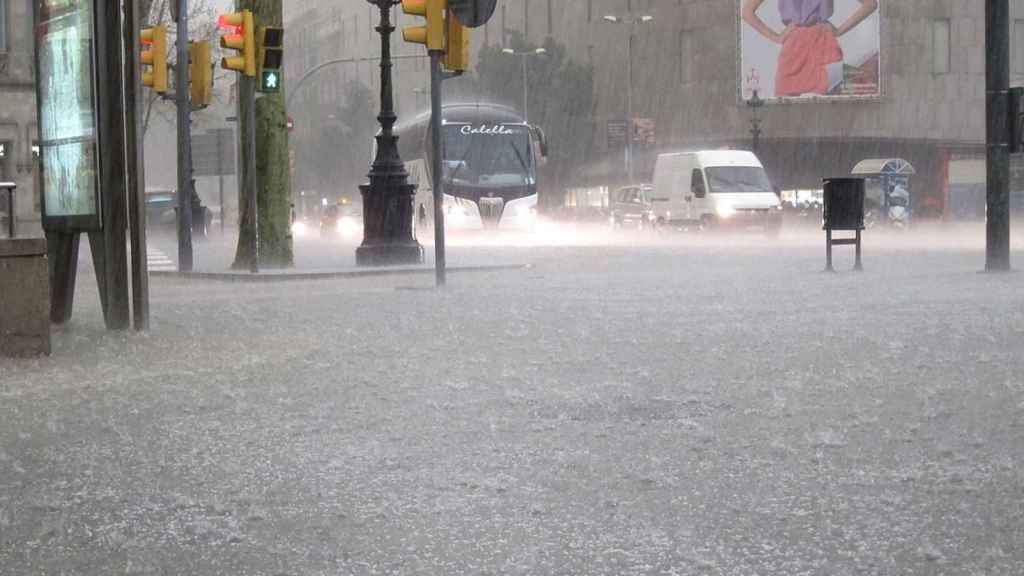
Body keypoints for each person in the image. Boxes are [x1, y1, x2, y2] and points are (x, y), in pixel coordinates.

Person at [742, 0, 878, 97]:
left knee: (834, 108)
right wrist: (777, 37)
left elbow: (871, 4)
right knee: (785, 114)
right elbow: (747, 12)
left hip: (818, 45)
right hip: (804, 47)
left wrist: (839, 31)